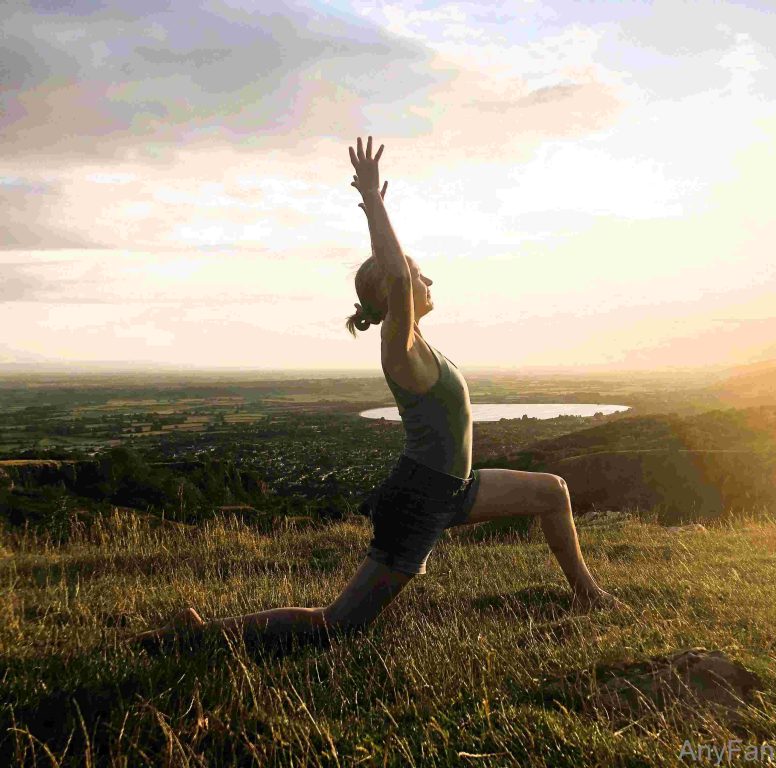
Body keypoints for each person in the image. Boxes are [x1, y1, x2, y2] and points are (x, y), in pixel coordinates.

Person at [129, 136, 621, 651]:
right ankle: (199, 636)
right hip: (419, 500)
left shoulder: (421, 345)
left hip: (453, 489)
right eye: (414, 275)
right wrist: (374, 202)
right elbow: (394, 274)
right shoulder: (399, 346)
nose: (426, 279)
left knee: (553, 491)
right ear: (395, 292)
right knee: (338, 624)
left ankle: (586, 593)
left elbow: (396, 277)